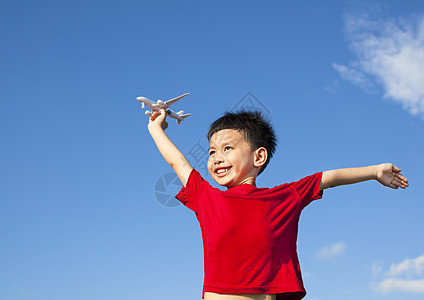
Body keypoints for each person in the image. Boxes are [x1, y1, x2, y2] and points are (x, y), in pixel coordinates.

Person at [147, 108, 409, 300]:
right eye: (212, 152)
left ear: (259, 156)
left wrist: (375, 171)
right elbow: (178, 162)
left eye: (227, 148)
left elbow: (327, 178)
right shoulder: (208, 198)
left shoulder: (283, 197)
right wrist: (155, 128)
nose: (216, 158)